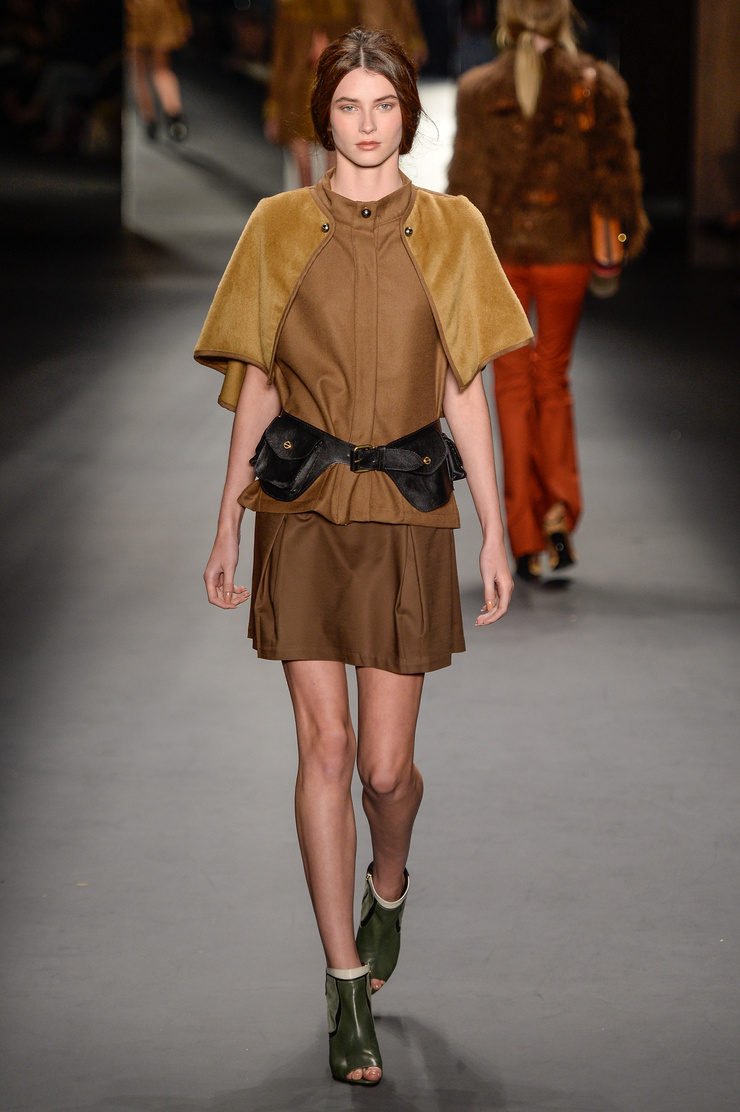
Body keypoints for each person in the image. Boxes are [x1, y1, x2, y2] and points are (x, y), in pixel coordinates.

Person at [195, 27, 531, 1086]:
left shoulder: (453, 228)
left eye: (384, 104)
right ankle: (344, 982)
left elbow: (463, 387)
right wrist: (225, 520)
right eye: (349, 105)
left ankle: (389, 881)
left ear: (407, 115)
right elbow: (257, 380)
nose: (368, 123)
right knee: (326, 749)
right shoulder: (276, 225)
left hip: (405, 510)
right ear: (324, 117)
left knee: (386, 770)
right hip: (299, 507)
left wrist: (498, 529)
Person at [448, 0, 647, 580]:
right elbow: (617, 178)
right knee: (552, 379)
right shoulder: (596, 85)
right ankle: (558, 509)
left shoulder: (478, 89)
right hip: (566, 256)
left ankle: (524, 537)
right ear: (565, 19)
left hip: (504, 257)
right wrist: (619, 243)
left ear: (507, 18)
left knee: (512, 386)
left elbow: (468, 188)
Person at [264, 0, 427, 187]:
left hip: (323, 79)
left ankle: (322, 200)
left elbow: (281, 53)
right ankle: (323, 200)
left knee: (328, 150)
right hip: (315, 81)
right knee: (325, 149)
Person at [125, 0, 192, 141]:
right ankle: (173, 116)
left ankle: (150, 121)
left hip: (137, 10)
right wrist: (184, 18)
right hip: (161, 8)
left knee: (139, 70)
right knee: (159, 67)